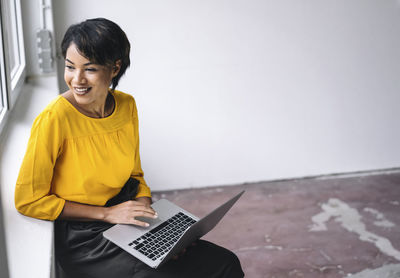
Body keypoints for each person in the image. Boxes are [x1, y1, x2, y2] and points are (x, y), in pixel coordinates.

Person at [14, 18, 244, 278]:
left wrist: (149, 222)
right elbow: (29, 201)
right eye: (70, 67)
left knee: (225, 263)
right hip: (85, 240)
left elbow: (135, 176)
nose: (76, 79)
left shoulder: (126, 106)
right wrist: (106, 214)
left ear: (115, 68)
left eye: (89, 69)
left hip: (127, 220)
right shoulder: (54, 119)